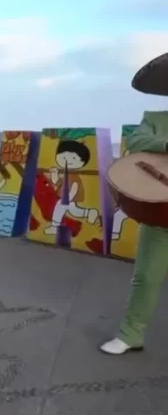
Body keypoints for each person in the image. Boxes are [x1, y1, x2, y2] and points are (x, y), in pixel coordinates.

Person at [101, 52, 168, 355]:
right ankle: (131, 335)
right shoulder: (154, 119)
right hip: (160, 213)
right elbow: (137, 142)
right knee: (146, 276)